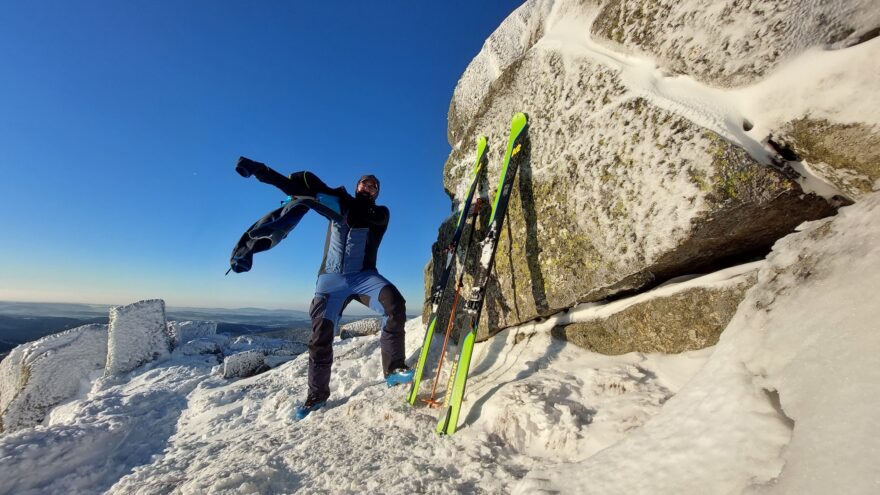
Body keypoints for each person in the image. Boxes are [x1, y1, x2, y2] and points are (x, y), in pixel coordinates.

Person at [234, 157, 412, 421]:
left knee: (395, 305)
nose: (369, 186)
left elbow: (364, 215)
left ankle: (394, 368)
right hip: (331, 281)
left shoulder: (380, 213)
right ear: (356, 186)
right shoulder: (337, 202)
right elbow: (298, 191)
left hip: (365, 277)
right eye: (365, 182)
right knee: (320, 338)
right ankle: (316, 396)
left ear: (376, 193)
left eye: (374, 186)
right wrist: (261, 171)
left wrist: (335, 201)